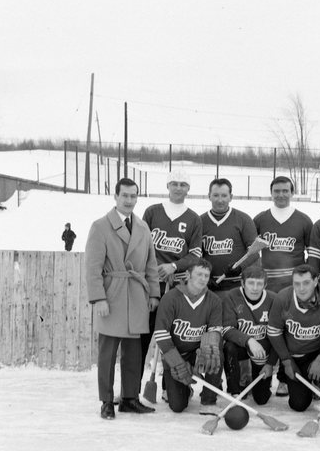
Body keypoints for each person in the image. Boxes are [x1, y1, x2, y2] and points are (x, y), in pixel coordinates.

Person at [85, 177, 159, 420]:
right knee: (107, 353)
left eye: (133, 196)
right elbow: (93, 267)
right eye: (124, 195)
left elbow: (150, 263)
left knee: (133, 352)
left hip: (137, 295)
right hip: (113, 294)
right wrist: (99, 298)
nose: (129, 200)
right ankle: (107, 401)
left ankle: (129, 398)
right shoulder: (100, 226)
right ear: (115, 197)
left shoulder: (142, 227)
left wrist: (154, 293)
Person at [140, 169, 203, 386]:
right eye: (174, 183)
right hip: (151, 282)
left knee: (174, 336)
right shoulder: (152, 211)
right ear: (167, 186)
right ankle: (132, 391)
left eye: (183, 184)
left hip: (178, 283)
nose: (178, 187)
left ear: (188, 188)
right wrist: (157, 268)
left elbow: (195, 254)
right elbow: (140, 244)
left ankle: (170, 386)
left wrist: (174, 266)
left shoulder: (193, 218)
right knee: (143, 335)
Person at [266, 263, 320, 412]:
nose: (301, 288)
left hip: (318, 353)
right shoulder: (283, 298)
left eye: (306, 283)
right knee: (298, 405)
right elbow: (274, 332)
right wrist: (286, 361)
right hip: (295, 357)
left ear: (316, 281)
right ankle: (310, 384)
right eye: (297, 283)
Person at [153, 259, 223, 413]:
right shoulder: (170, 298)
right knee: (177, 406)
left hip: (198, 353)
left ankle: (208, 399)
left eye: (206, 275)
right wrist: (177, 362)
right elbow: (161, 334)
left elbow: (215, 330)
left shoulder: (214, 300)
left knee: (216, 352)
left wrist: (207, 350)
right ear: (187, 274)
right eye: (199, 274)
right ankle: (186, 390)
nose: (203, 278)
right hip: (176, 354)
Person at [219, 265, 277, 406]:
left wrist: (270, 363)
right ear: (242, 283)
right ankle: (235, 390)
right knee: (229, 347)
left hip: (263, 350)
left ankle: (256, 384)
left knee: (261, 399)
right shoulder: (231, 297)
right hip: (242, 346)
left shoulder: (273, 299)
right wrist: (249, 340)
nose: (255, 288)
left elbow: (279, 334)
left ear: (265, 284)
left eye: (259, 283)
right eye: (251, 283)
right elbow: (227, 329)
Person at [254, 176, 313, 293]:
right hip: (267, 284)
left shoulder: (304, 220)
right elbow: (250, 252)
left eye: (285, 191)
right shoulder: (260, 219)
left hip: (296, 284)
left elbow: (313, 254)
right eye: (276, 191)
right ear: (271, 193)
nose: (281, 195)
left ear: (292, 193)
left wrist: (304, 275)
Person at [201, 177, 259, 291]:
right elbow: (196, 255)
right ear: (209, 196)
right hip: (209, 285)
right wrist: (204, 277)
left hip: (237, 285)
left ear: (230, 197)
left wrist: (239, 267)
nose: (220, 200)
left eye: (224, 195)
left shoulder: (243, 219)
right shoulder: (200, 221)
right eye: (216, 195)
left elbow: (255, 253)